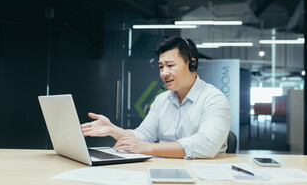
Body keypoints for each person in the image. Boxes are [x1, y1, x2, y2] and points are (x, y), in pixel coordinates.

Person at [81, 36, 231, 159]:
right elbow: (143, 135)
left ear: (192, 64)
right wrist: (112, 129)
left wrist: (148, 148)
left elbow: (206, 145)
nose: (164, 73)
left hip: (204, 177)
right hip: (164, 169)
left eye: (170, 65)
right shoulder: (161, 100)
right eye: (161, 67)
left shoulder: (214, 99)